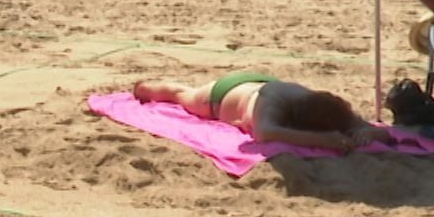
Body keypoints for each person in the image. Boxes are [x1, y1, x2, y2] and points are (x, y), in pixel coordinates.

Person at [132, 73, 392, 154]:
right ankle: (146, 87)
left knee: (182, 94)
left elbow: (381, 134)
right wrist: (323, 140)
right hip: (223, 95)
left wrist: (364, 132)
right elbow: (264, 132)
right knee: (181, 95)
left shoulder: (323, 106)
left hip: (261, 81)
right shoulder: (272, 104)